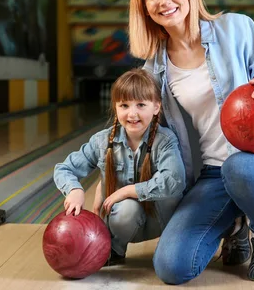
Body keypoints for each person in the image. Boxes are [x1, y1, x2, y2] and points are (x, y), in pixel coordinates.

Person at [128, 0, 254, 284]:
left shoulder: (236, 28)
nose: (164, 1)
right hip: (213, 175)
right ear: (143, 6)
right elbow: (145, 134)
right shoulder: (152, 68)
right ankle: (235, 224)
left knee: (239, 166)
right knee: (171, 266)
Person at [53, 68, 186, 266]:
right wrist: (74, 190)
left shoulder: (165, 140)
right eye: (124, 105)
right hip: (122, 220)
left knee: (172, 264)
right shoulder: (102, 141)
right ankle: (114, 249)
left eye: (141, 104)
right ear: (115, 107)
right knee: (126, 210)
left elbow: (175, 180)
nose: (132, 113)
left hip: (161, 221)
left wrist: (128, 191)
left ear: (157, 106)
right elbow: (63, 169)